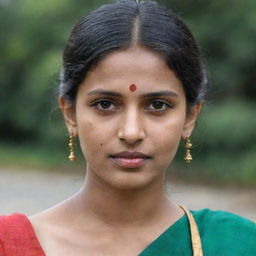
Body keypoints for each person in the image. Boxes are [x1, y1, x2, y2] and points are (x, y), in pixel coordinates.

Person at [0, 0, 255, 255]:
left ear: (189, 117)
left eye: (157, 105)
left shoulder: (236, 244)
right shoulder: (8, 245)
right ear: (70, 114)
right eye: (105, 104)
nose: (131, 133)